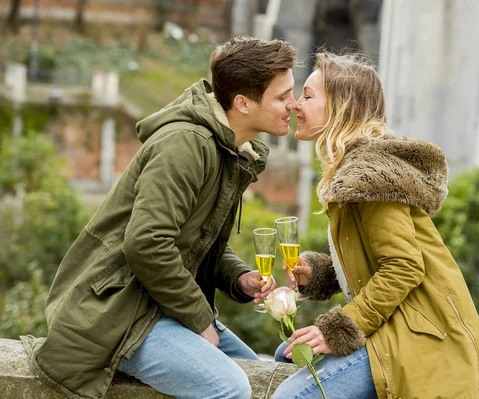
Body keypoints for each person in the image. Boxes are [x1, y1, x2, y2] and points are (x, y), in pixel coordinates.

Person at [20, 36, 298, 399]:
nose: (292, 104)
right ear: (243, 103)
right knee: (229, 388)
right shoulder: (184, 146)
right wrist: (200, 320)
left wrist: (239, 277)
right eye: (282, 96)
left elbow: (194, 239)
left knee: (272, 381)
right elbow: (147, 244)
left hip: (160, 305)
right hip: (120, 314)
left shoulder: (228, 148)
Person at [272, 52, 479, 399]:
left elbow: (404, 266)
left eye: (308, 96)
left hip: (422, 341)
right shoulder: (355, 170)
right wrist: (319, 274)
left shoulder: (370, 176)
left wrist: (337, 330)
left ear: (341, 107)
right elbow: (377, 260)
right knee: (284, 356)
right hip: (394, 327)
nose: (297, 105)